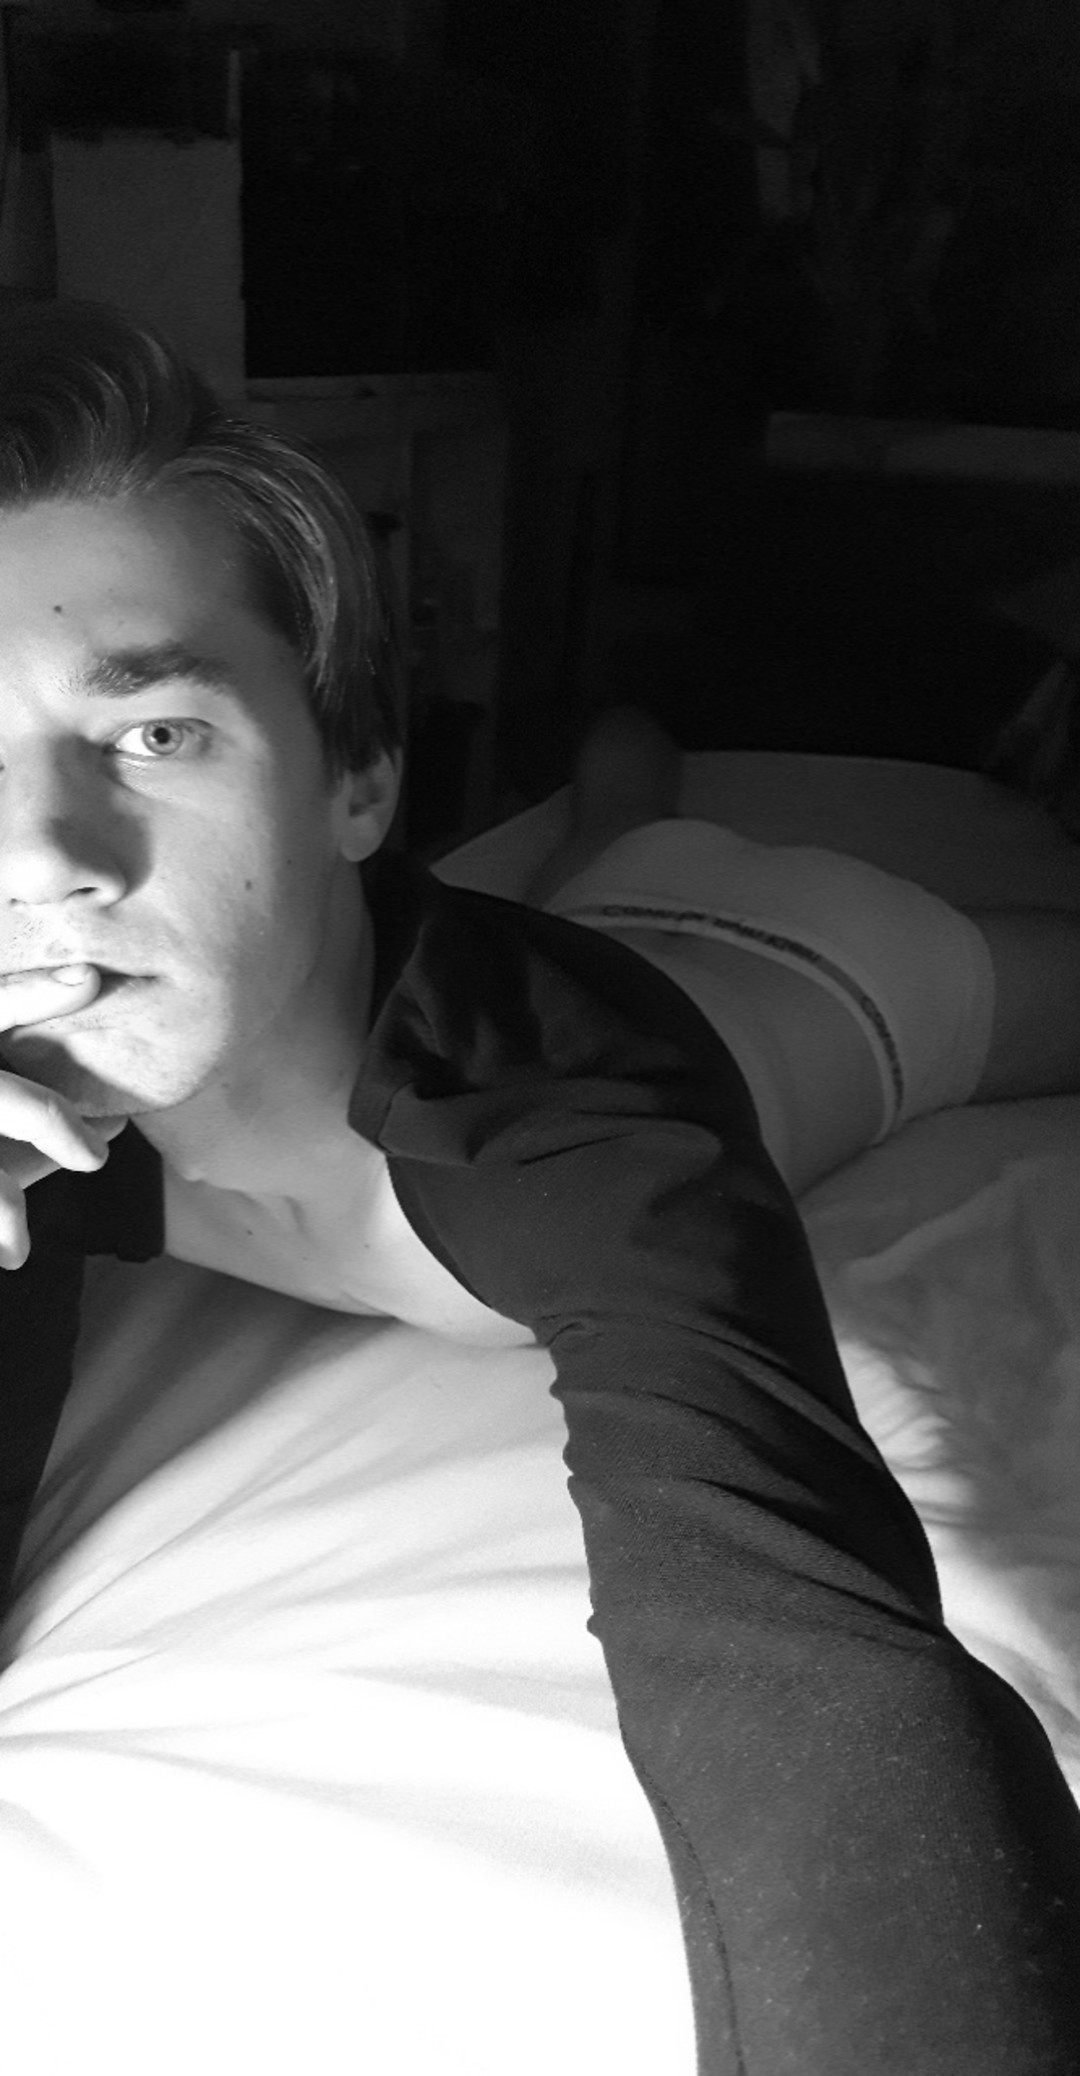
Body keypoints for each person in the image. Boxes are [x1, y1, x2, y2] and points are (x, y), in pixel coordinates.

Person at [0, 298, 1079, 2075]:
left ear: (358, 779)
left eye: (157, 735)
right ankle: (624, 765)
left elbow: (801, 1662)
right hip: (547, 908)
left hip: (814, 973)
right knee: (615, 815)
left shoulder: (582, 1124)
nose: (42, 860)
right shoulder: (49, 1062)